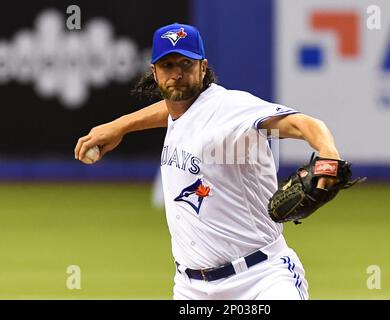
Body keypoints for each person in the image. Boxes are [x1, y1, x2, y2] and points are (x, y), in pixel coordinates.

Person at [74, 23, 341, 300]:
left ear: (203, 68)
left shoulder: (230, 108)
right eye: (167, 65)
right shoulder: (180, 112)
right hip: (191, 289)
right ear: (154, 72)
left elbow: (301, 124)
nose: (176, 74)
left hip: (261, 279)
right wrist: (120, 126)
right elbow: (172, 110)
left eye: (186, 64)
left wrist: (328, 153)